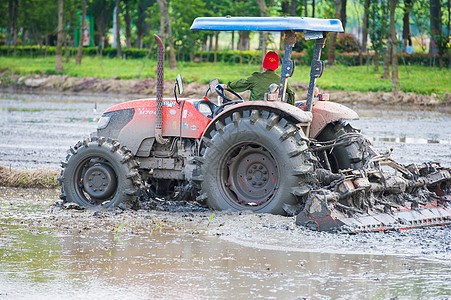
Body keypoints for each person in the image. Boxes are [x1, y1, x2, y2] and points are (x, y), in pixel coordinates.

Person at [226, 51, 296, 105]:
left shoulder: (255, 78)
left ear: (264, 65)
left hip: (255, 112)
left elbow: (241, 83)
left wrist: (228, 86)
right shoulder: (281, 81)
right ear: (277, 66)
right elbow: (291, 93)